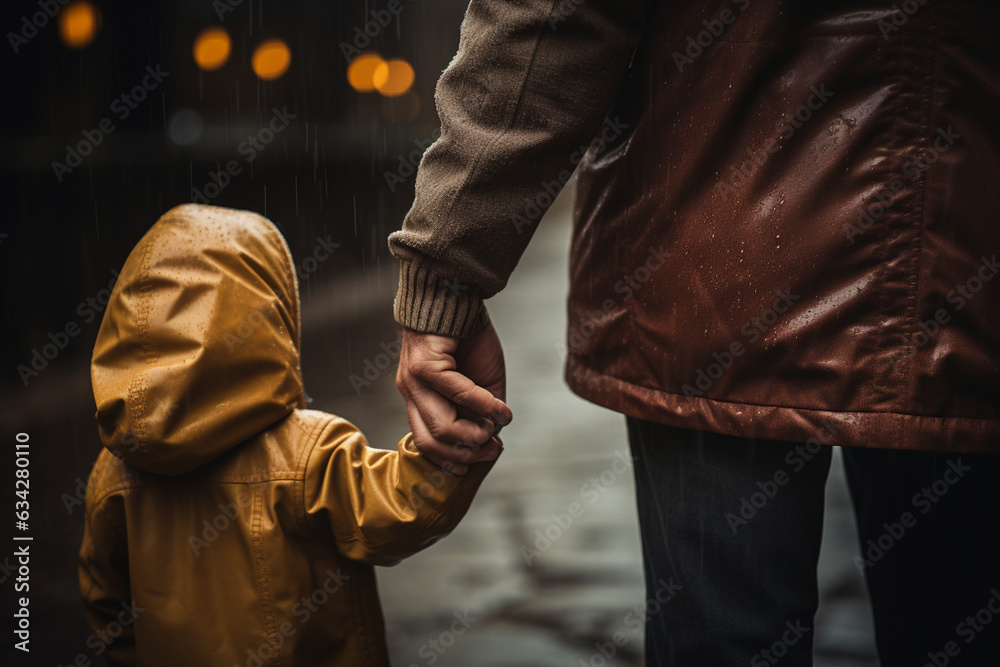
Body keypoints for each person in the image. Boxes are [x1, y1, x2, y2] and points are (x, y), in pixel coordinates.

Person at [389, 0, 1000, 664]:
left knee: (725, 636)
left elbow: (555, 17)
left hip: (713, 265)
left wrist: (445, 270)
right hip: (963, 257)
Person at [79, 203, 500, 666]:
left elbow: (106, 605)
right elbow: (402, 510)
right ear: (267, 312)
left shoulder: (111, 473)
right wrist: (461, 423)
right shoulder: (304, 454)